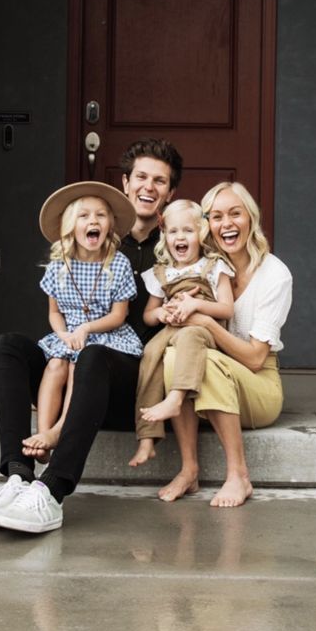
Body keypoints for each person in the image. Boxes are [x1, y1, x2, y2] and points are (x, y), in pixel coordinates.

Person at [0, 138, 182, 534]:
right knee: (7, 347)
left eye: (160, 181)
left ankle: (52, 491)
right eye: (141, 176)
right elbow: (58, 306)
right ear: (125, 184)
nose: (148, 186)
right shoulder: (91, 239)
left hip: (128, 375)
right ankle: (18, 474)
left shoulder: (177, 245)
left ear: (170, 193)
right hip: (74, 360)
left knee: (92, 356)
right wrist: (68, 341)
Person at [157, 182, 292, 508]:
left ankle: (239, 475)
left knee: (208, 361)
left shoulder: (274, 275)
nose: (226, 224)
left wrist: (203, 321)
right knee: (175, 354)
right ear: (206, 226)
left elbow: (257, 358)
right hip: (212, 379)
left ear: (251, 219)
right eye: (216, 216)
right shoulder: (204, 269)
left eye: (235, 214)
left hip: (258, 385)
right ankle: (189, 469)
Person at [21, 186, 142, 460]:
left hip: (104, 335)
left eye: (101, 215)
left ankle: (61, 428)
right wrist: (63, 335)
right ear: (70, 226)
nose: (93, 221)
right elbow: (54, 313)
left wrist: (86, 329)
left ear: (110, 224)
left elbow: (118, 315)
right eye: (84, 216)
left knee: (80, 363)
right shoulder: (58, 265)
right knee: (55, 365)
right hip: (68, 335)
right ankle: (43, 432)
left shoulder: (118, 263)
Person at [128, 199, 234, 468]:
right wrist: (162, 314)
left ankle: (175, 398)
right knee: (151, 352)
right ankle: (147, 438)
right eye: (173, 231)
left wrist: (195, 304)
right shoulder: (161, 272)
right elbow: (148, 316)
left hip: (204, 329)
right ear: (165, 235)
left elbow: (226, 309)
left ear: (201, 232)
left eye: (188, 230)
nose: (180, 237)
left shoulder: (213, 266)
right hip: (172, 326)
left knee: (189, 337)